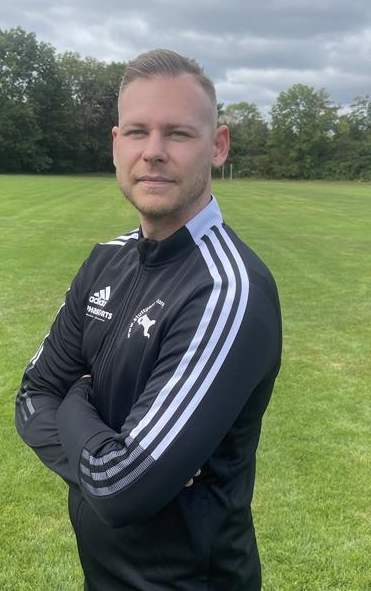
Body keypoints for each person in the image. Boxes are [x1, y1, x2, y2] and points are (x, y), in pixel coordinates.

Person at [15, 49, 282, 591]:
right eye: (137, 132)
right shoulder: (105, 259)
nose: (153, 152)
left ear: (218, 146)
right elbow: (31, 397)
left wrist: (74, 399)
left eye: (177, 133)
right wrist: (106, 458)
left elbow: (122, 491)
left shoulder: (226, 289)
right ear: (117, 144)